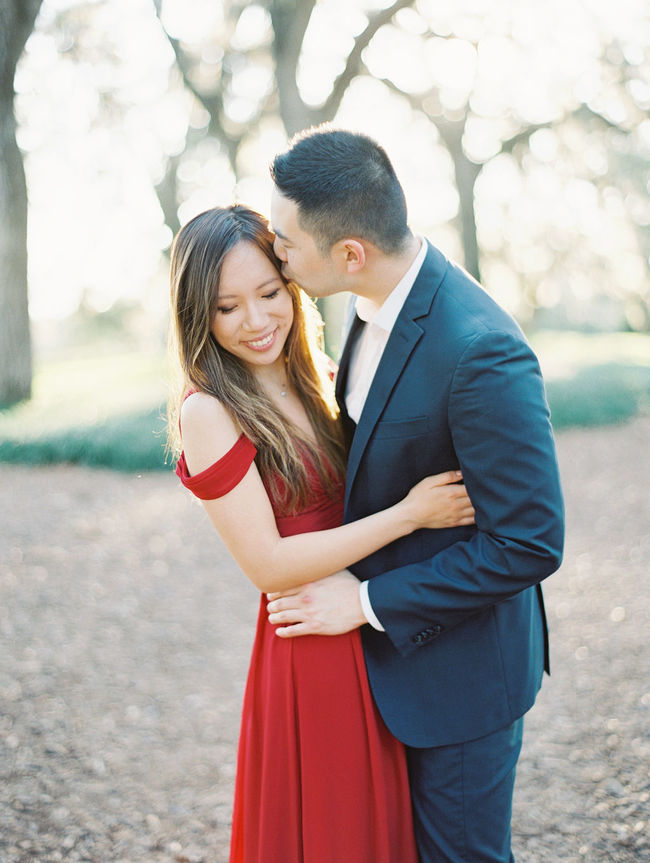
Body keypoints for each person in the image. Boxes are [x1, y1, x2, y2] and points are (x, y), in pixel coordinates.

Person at [267, 128, 565, 863]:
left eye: (285, 242)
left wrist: (365, 603)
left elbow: (529, 541)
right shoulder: (365, 305)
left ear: (349, 254)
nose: (276, 252)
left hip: (460, 678)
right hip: (389, 673)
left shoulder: (481, 349)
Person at [167, 204, 476, 862]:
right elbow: (270, 564)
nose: (255, 321)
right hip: (310, 642)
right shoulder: (210, 410)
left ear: (293, 285)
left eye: (269, 293)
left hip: (367, 624)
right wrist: (410, 515)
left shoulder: (321, 375)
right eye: (227, 307)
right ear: (199, 315)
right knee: (333, 832)